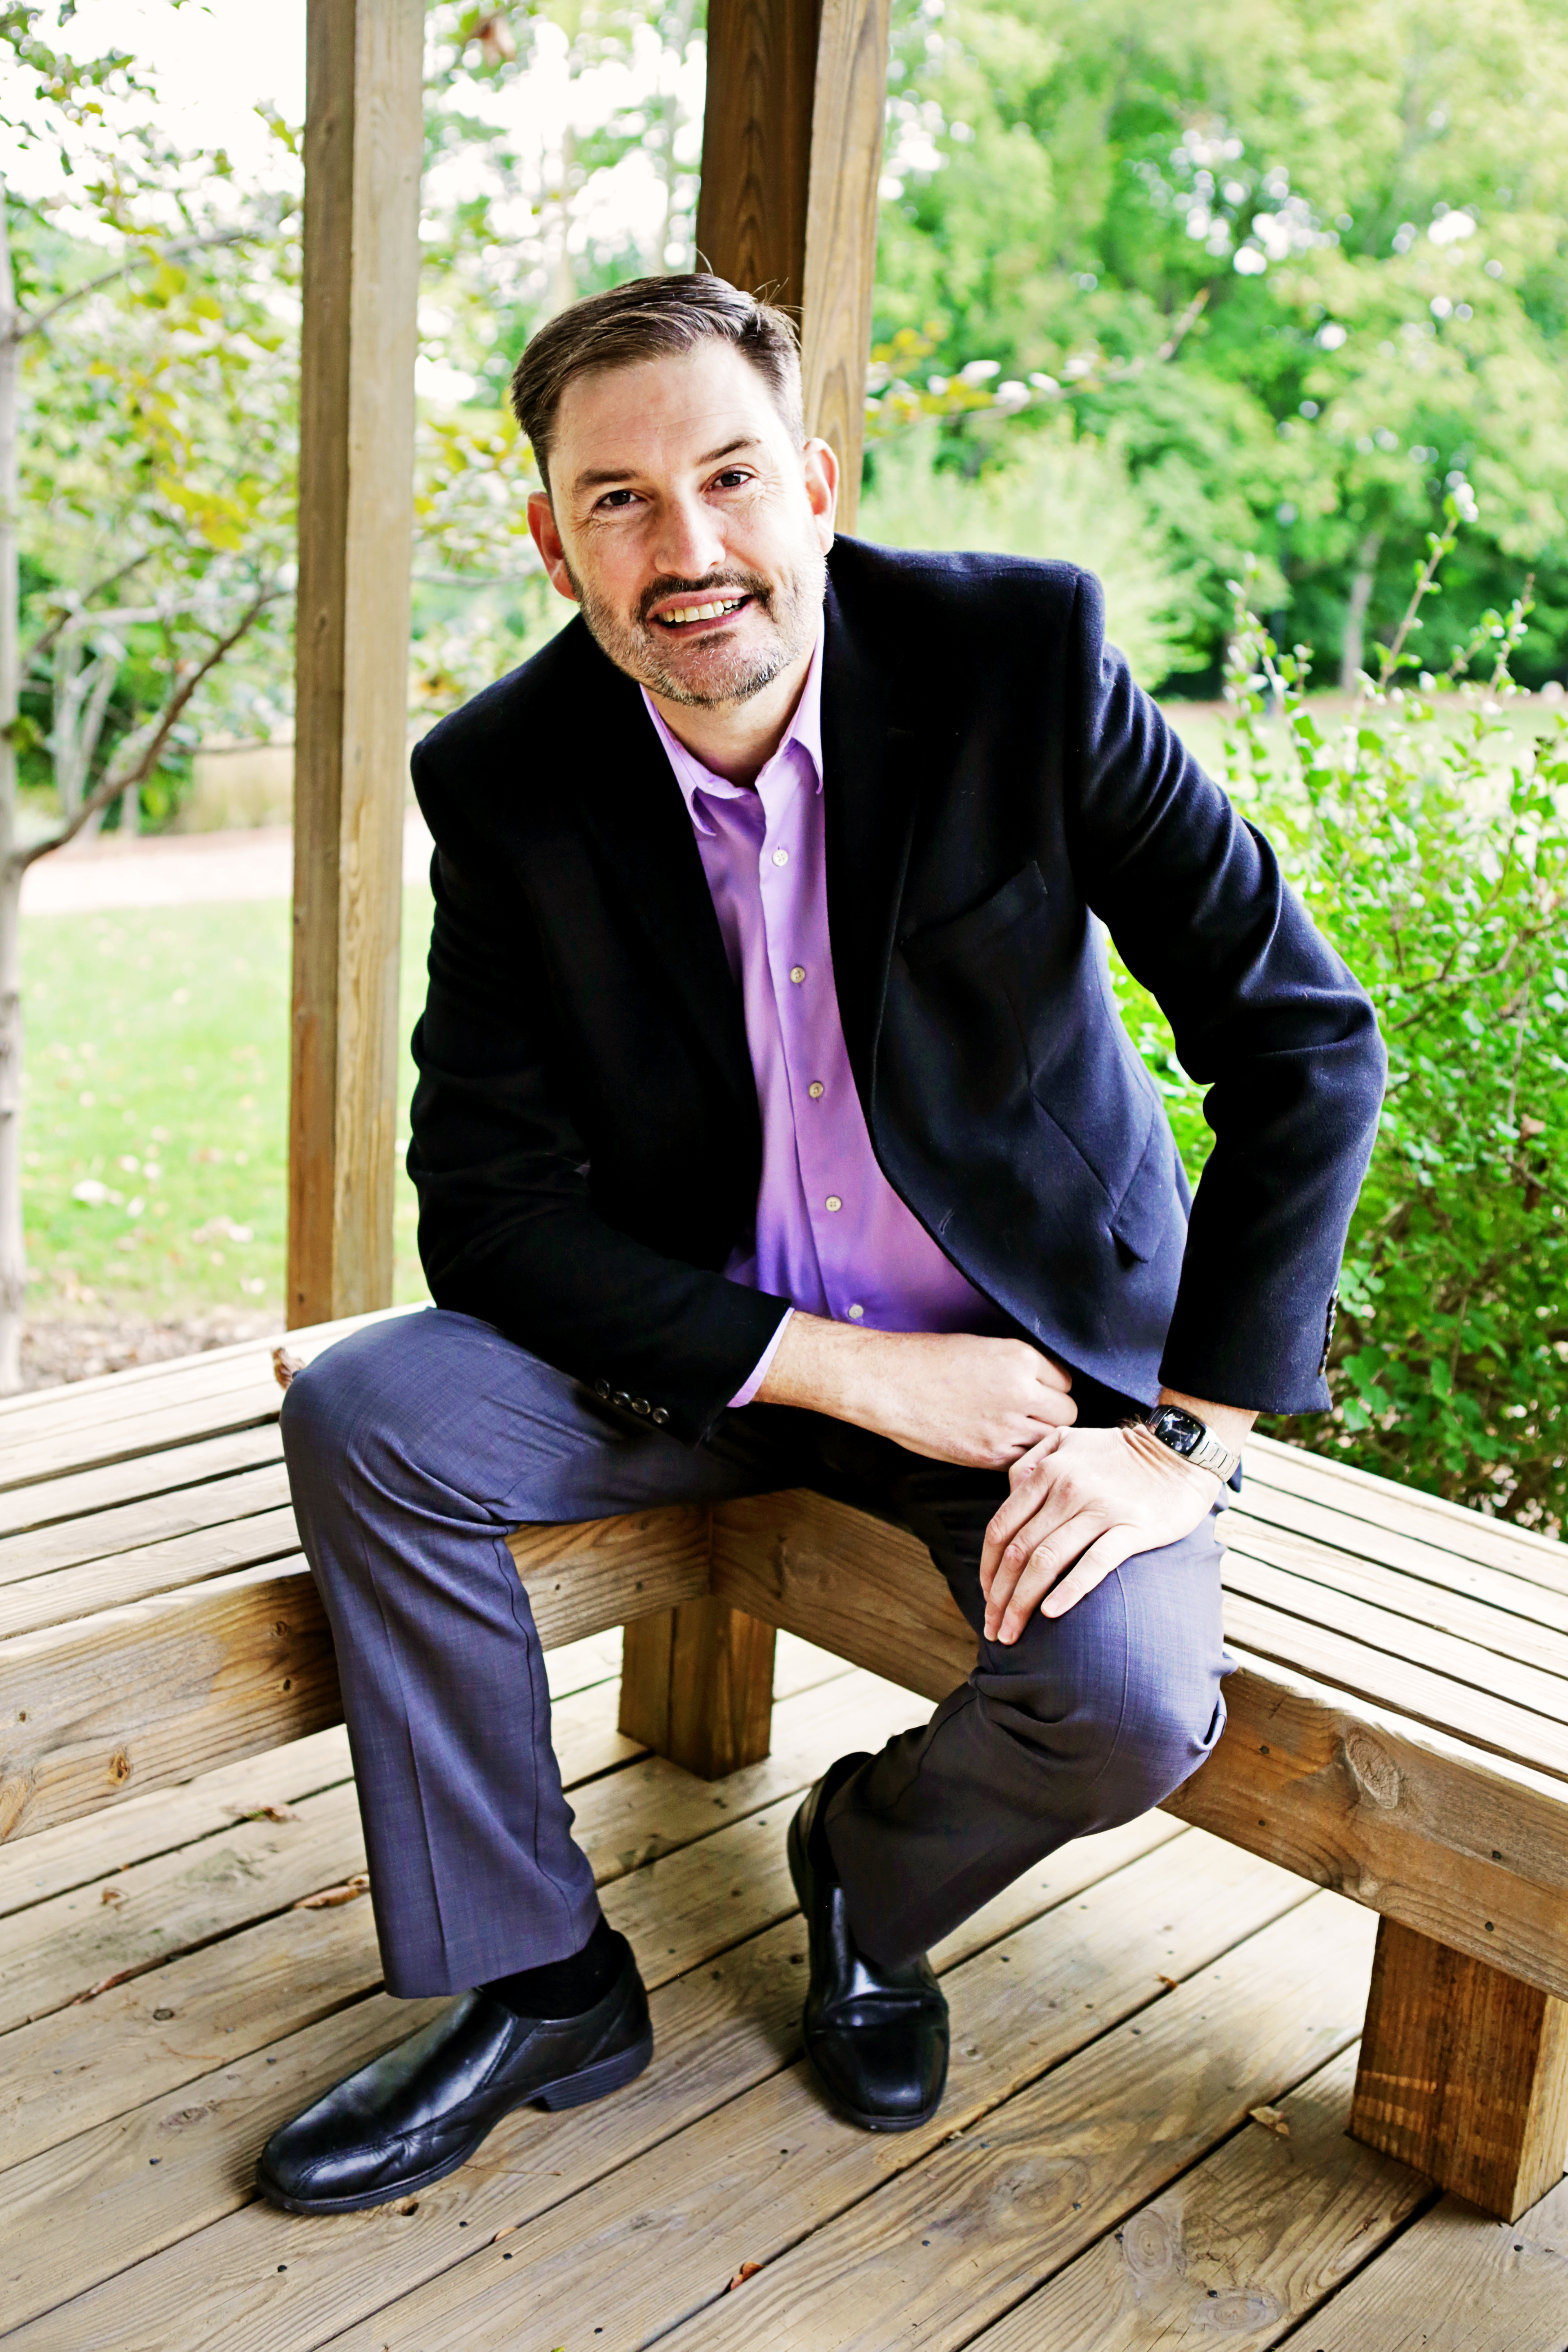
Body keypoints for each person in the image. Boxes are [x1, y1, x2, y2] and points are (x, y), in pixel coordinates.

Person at [257, 274, 1385, 2215]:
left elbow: (1303, 1042)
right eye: (617, 501)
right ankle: (541, 1982)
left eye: (728, 477)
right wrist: (840, 1366)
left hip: (1040, 1378)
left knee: (1129, 1705)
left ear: (818, 486)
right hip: (707, 1354)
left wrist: (1186, 1434)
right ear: (553, 542)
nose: (684, 549)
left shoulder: (1018, 661)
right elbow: (492, 1213)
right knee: (375, 1407)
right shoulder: (507, 781)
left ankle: (866, 1881)